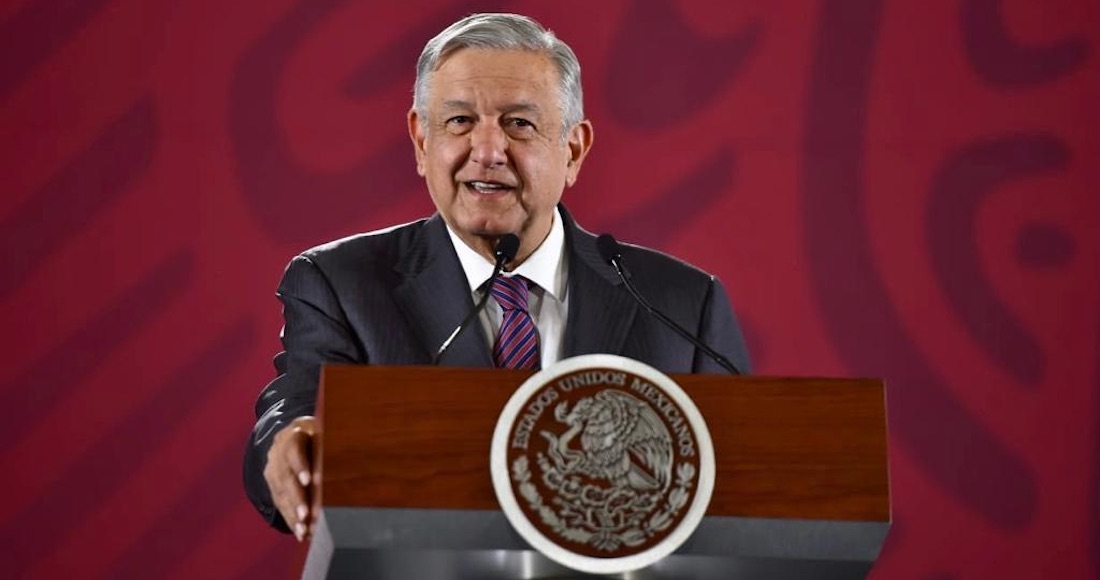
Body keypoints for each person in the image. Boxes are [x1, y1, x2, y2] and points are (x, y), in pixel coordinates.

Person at [243, 12, 751, 540]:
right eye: (459, 121)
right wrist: (289, 441)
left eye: (519, 124)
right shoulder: (340, 284)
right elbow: (294, 410)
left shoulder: (681, 305)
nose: (486, 152)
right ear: (421, 141)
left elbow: (746, 489)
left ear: (573, 150)